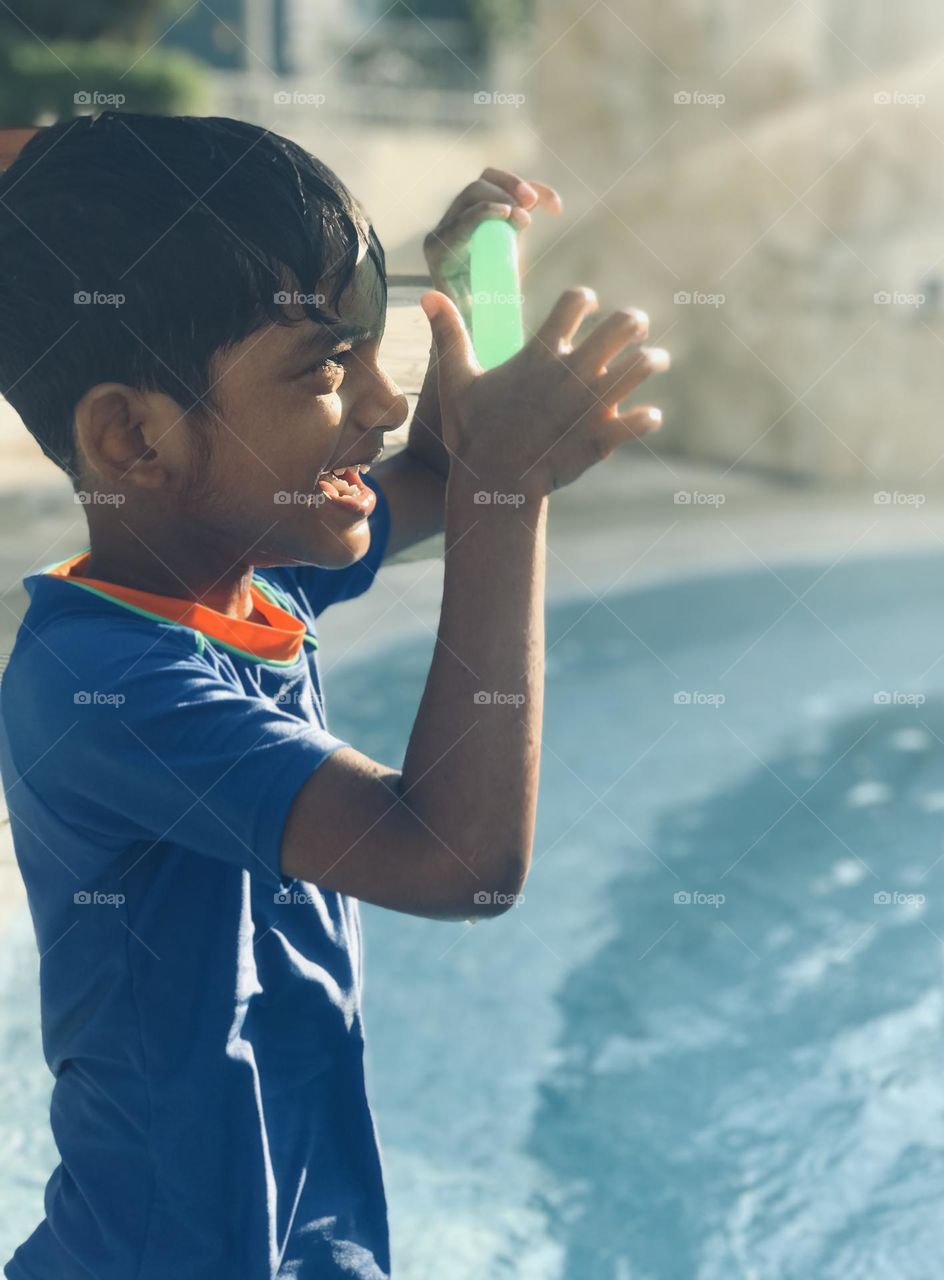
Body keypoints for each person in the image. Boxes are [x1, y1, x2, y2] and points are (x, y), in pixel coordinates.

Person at [0, 113, 669, 1278]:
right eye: (324, 365)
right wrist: (509, 489)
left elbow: (440, 469)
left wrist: (473, 300)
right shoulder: (101, 684)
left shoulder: (249, 574)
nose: (380, 400)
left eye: (374, 348)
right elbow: (457, 857)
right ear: (130, 436)